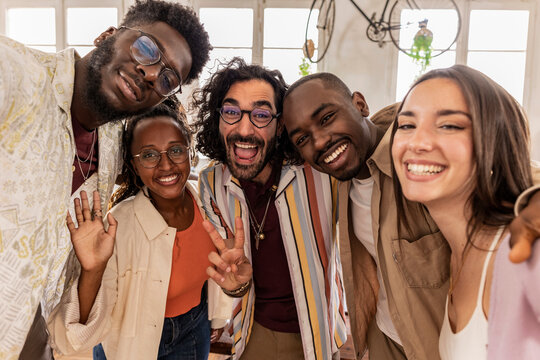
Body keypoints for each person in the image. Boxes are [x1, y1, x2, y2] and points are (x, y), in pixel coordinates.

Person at [0, 0, 211, 356]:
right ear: (107, 36)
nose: (149, 73)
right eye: (147, 49)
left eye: (167, 78)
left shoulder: (112, 143)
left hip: (31, 337)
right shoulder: (20, 75)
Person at [281, 72, 540, 360]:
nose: (319, 142)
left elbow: (516, 171)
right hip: (385, 341)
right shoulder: (343, 178)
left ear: (359, 104)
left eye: (327, 118)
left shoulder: (418, 165)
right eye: (303, 138)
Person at [48, 102, 235, 359]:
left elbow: (218, 273)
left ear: (190, 154)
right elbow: (74, 340)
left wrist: (218, 317)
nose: (166, 165)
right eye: (149, 155)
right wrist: (92, 270)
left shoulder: (209, 204)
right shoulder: (118, 225)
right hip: (130, 343)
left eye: (176, 150)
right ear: (133, 165)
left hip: (194, 327)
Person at [193, 57, 347, 360]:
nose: (244, 129)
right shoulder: (212, 181)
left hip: (319, 335)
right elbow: (234, 280)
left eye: (261, 114)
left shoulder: (319, 173)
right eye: (232, 112)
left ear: (280, 127)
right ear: (219, 119)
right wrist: (236, 286)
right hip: (253, 331)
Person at [390, 65, 539, 359]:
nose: (418, 142)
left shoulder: (523, 254)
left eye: (450, 126)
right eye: (407, 125)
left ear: (495, 144)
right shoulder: (456, 255)